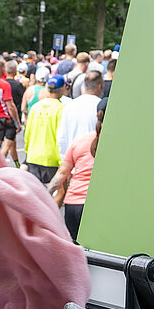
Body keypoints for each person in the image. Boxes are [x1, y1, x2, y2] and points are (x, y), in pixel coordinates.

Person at [52, 101, 102, 242]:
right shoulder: (112, 142)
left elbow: (62, 173)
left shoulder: (80, 140)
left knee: (76, 249)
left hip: (72, 205)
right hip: (92, 205)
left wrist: (46, 194)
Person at [23, 75, 67, 185]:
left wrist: (28, 151)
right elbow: (61, 136)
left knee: (35, 192)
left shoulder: (35, 107)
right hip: (51, 158)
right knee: (54, 193)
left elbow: (28, 132)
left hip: (33, 156)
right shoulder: (61, 109)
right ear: (62, 88)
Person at [57, 72, 102, 160]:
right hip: (92, 163)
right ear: (100, 86)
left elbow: (61, 138)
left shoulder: (69, 106)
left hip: (73, 163)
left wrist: (65, 162)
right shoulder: (100, 106)